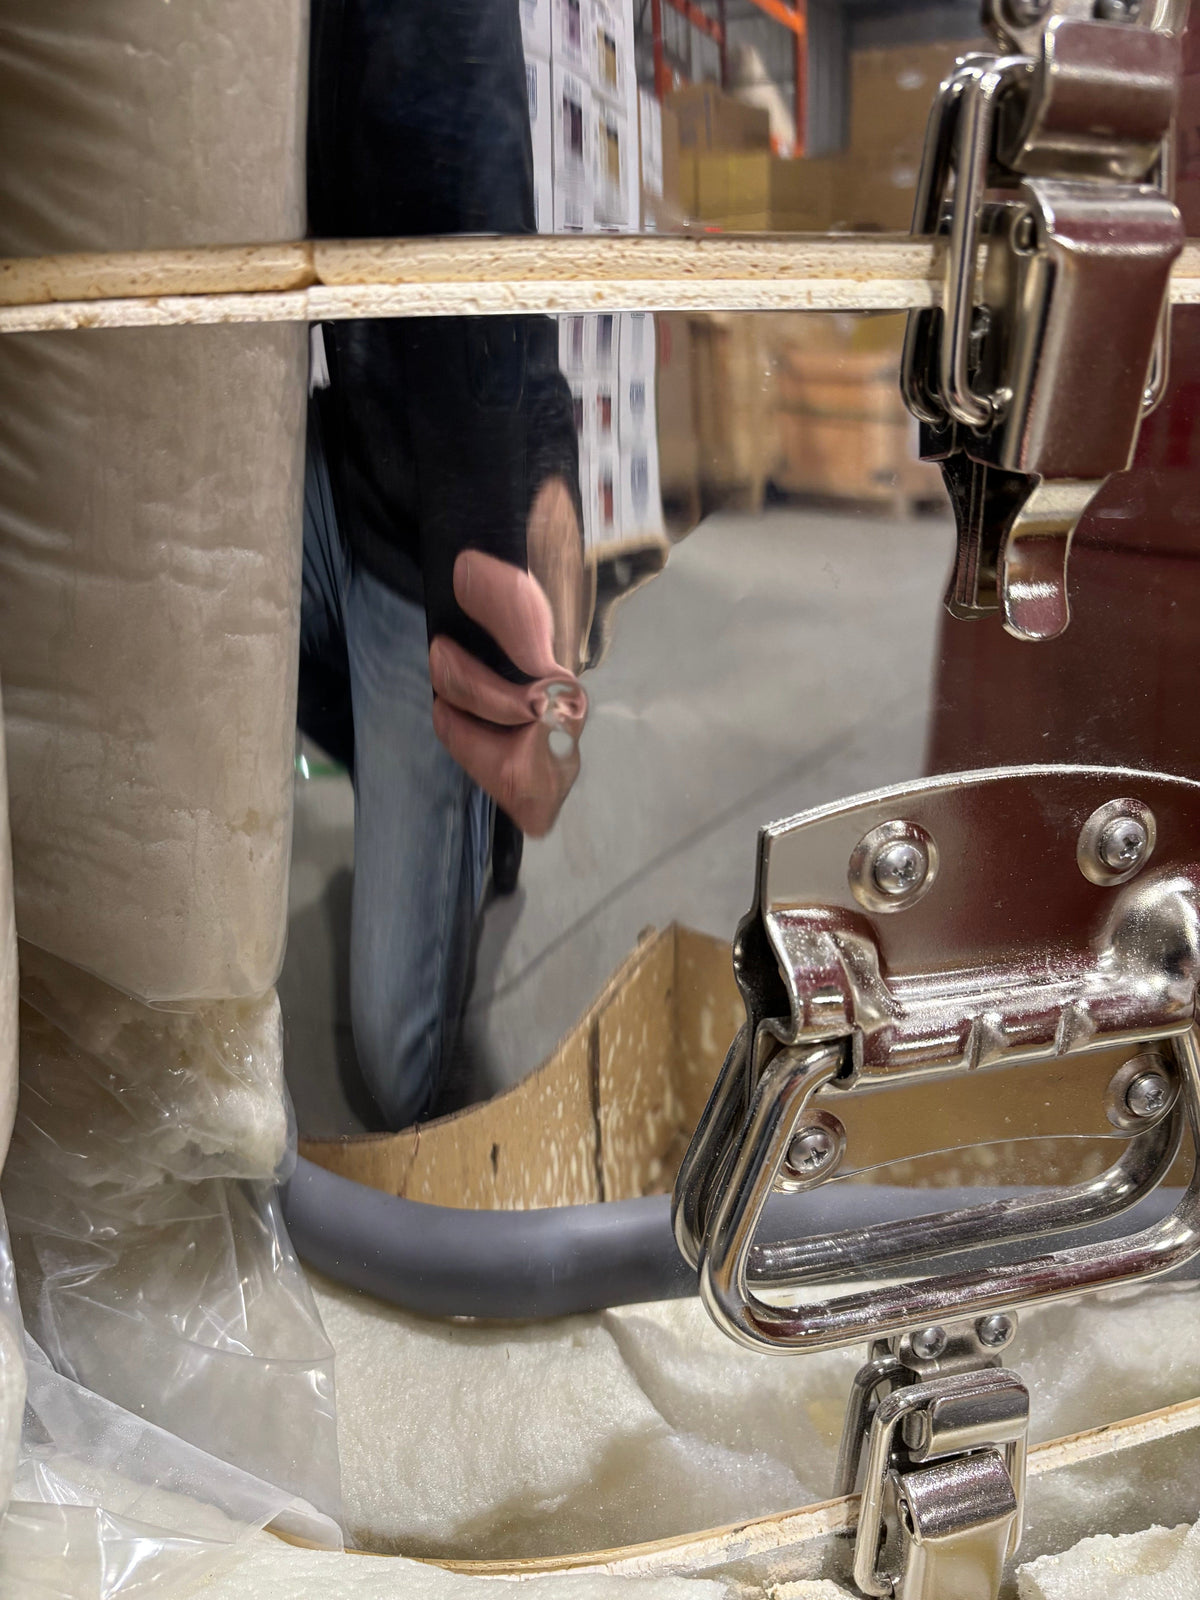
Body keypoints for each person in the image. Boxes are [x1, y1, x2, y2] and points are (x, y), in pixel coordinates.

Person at [303, 0, 588, 1129]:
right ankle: (422, 780)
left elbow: (490, 313)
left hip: (420, 533)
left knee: (397, 1068)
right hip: (332, 453)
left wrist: (489, 671)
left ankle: (471, 812)